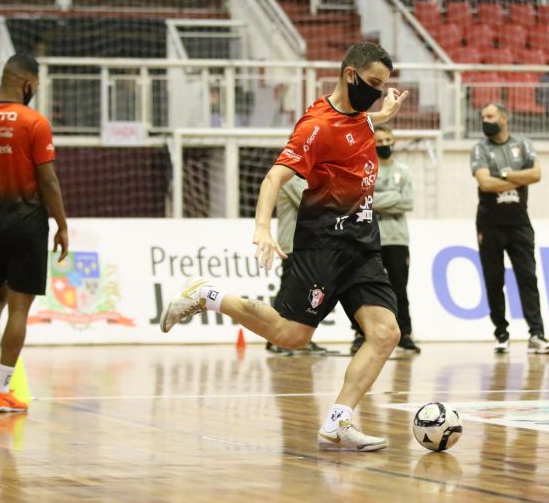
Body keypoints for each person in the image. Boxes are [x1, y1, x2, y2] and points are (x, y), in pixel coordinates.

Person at [160, 42, 408, 451]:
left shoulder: (361, 116)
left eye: (384, 85)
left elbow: (362, 122)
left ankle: (338, 422)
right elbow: (273, 178)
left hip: (364, 247)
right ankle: (208, 295)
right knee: (290, 336)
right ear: (351, 75)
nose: (378, 92)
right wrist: (262, 228)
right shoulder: (315, 126)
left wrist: (385, 113)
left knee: (385, 333)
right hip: (322, 247)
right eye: (374, 84)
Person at [0, 53, 69, 412]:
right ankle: (3, 389)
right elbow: (48, 181)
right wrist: (62, 224)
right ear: (28, 84)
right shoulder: (34, 122)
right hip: (27, 223)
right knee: (19, 309)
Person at [470, 102, 549, 355]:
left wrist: (504, 177)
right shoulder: (479, 149)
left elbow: (536, 174)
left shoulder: (522, 144)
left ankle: (536, 334)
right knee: (494, 280)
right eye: (483, 116)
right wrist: (518, 177)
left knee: (528, 277)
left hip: (519, 222)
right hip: (489, 223)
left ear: (504, 118)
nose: (485, 120)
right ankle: (501, 333)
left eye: (490, 116)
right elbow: (484, 183)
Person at [351, 124, 419, 355]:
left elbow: (408, 202)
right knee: (364, 289)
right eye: (379, 141)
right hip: (368, 239)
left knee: (400, 288)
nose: (384, 145)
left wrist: (377, 199)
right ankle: (361, 334)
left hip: (397, 239)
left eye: (387, 140)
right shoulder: (366, 169)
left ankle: (405, 334)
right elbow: (361, 200)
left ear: (394, 141)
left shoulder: (404, 171)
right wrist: (393, 197)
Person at [265, 175, 328, 355]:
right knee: (288, 291)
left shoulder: (309, 181)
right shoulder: (290, 180)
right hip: (292, 245)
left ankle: (300, 339)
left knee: (304, 295)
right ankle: (274, 338)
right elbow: (313, 204)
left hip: (308, 246)